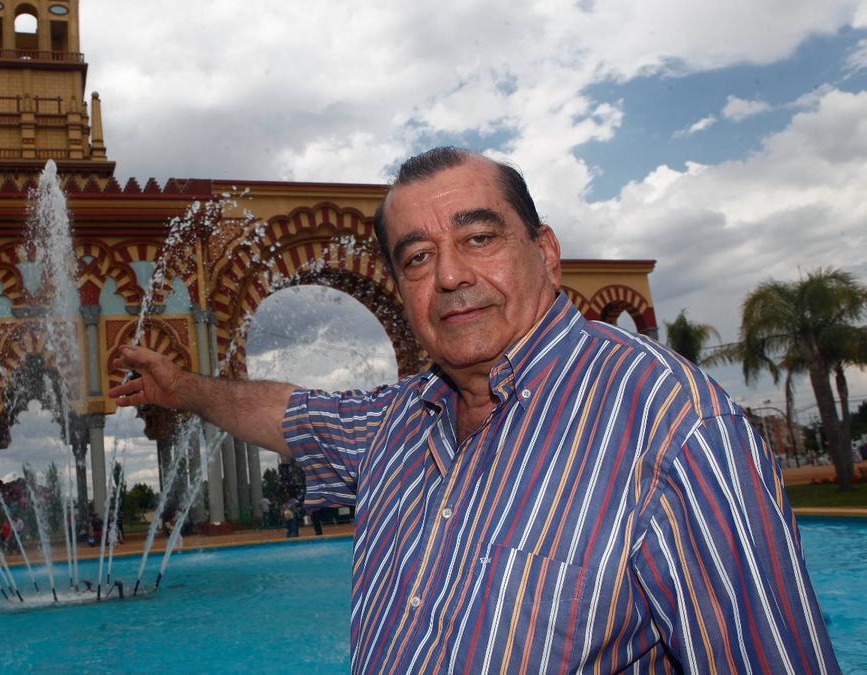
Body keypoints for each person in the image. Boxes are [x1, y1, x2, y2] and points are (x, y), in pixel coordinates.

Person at [109, 147, 838, 672]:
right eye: (418, 258)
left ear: (546, 252)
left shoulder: (672, 427)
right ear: (400, 288)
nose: (451, 275)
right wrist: (183, 388)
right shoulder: (400, 421)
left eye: (479, 238)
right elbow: (286, 411)